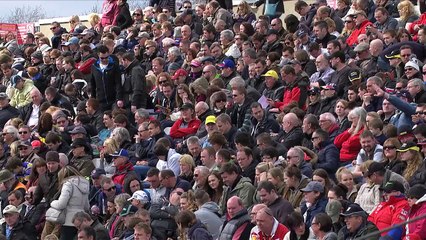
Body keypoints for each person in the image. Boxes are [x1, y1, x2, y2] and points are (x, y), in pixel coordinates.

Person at [46, 165, 89, 240]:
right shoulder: (85, 184)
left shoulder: (68, 184)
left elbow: (61, 204)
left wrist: (52, 202)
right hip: (81, 221)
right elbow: (87, 206)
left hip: (68, 221)